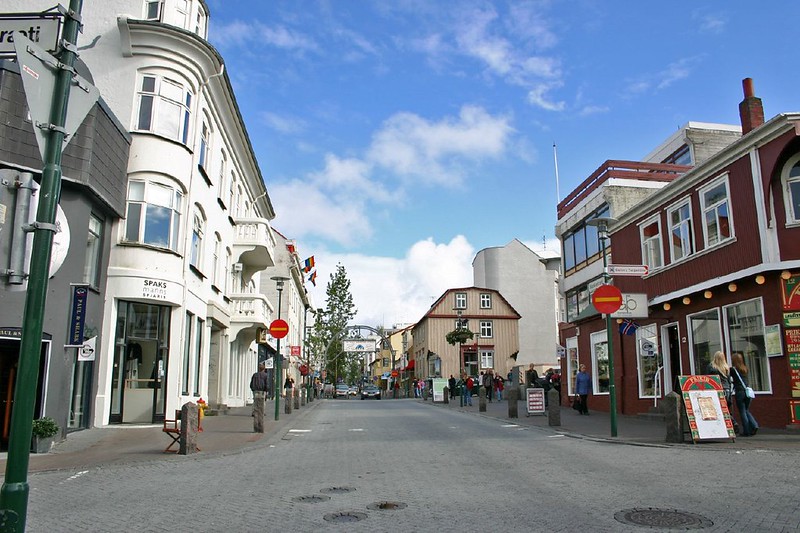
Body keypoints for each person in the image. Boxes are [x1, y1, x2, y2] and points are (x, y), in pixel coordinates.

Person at [707, 351, 738, 434]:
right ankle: (731, 424)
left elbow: (708, 379)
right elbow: (729, 380)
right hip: (727, 390)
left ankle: (731, 423)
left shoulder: (712, 367)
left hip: (718, 390)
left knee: (719, 409)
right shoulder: (726, 368)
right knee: (726, 408)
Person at [731, 351, 759, 437]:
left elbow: (730, 378)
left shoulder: (733, 369)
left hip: (740, 392)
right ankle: (754, 425)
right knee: (746, 410)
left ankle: (746, 430)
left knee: (742, 411)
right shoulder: (745, 368)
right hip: (747, 391)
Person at [250, 362, 269, 432]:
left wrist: (253, 389)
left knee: (255, 402)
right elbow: (266, 384)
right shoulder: (265, 375)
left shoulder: (255, 375)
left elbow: (251, 384)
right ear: (264, 369)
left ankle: (254, 412)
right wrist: (266, 391)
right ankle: (262, 412)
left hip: (255, 391)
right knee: (262, 403)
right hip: (262, 391)